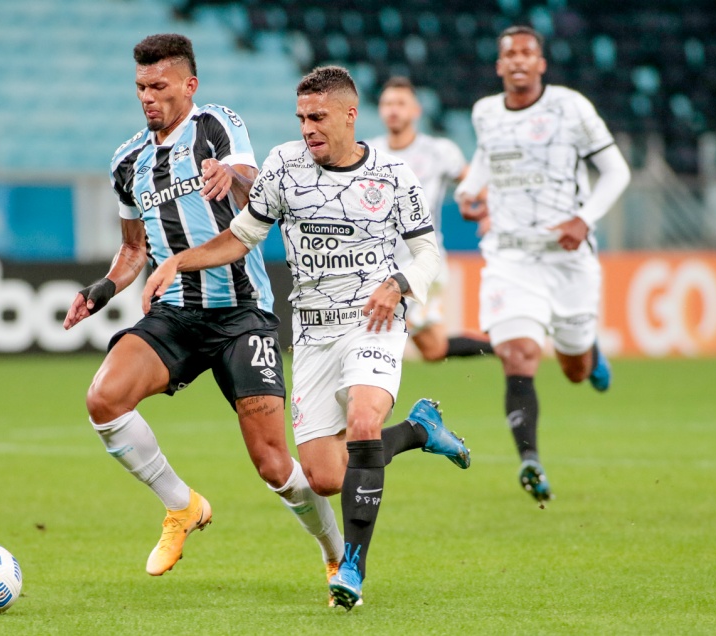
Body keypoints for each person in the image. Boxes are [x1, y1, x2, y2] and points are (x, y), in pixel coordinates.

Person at [144, 65, 472, 610]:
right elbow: (242, 237)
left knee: (364, 422)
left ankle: (353, 569)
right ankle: (417, 430)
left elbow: (428, 252)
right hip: (313, 334)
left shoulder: (393, 174)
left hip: (374, 320)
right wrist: (178, 261)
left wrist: (398, 283)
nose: (307, 128)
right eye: (300, 118)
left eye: (317, 117)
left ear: (350, 114)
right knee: (324, 478)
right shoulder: (283, 166)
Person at [62, 34, 344, 589]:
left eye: (159, 86)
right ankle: (182, 506)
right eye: (141, 87)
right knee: (104, 400)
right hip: (176, 315)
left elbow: (254, 187)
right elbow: (134, 250)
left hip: (242, 312)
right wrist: (100, 290)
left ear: (189, 86)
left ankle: (337, 552)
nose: (148, 97)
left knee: (272, 464)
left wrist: (231, 177)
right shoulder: (128, 162)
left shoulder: (216, 124)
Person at [454, 26, 631, 505]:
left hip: (568, 257)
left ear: (541, 64)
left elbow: (617, 171)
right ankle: (529, 459)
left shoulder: (571, 107)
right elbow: (486, 163)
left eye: (527, 52)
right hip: (510, 255)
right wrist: (467, 193)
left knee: (574, 369)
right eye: (509, 53)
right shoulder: (485, 112)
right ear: (498, 66)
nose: (517, 60)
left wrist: (584, 218)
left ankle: (588, 350)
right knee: (517, 354)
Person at [367, 77, 493, 361]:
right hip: (379, 262)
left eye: (400, 103)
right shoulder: (369, 153)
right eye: (387, 103)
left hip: (422, 263)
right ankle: (497, 344)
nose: (393, 110)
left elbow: (476, 184)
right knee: (434, 350)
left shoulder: (439, 151)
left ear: (416, 111)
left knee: (380, 331)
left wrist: (489, 212)